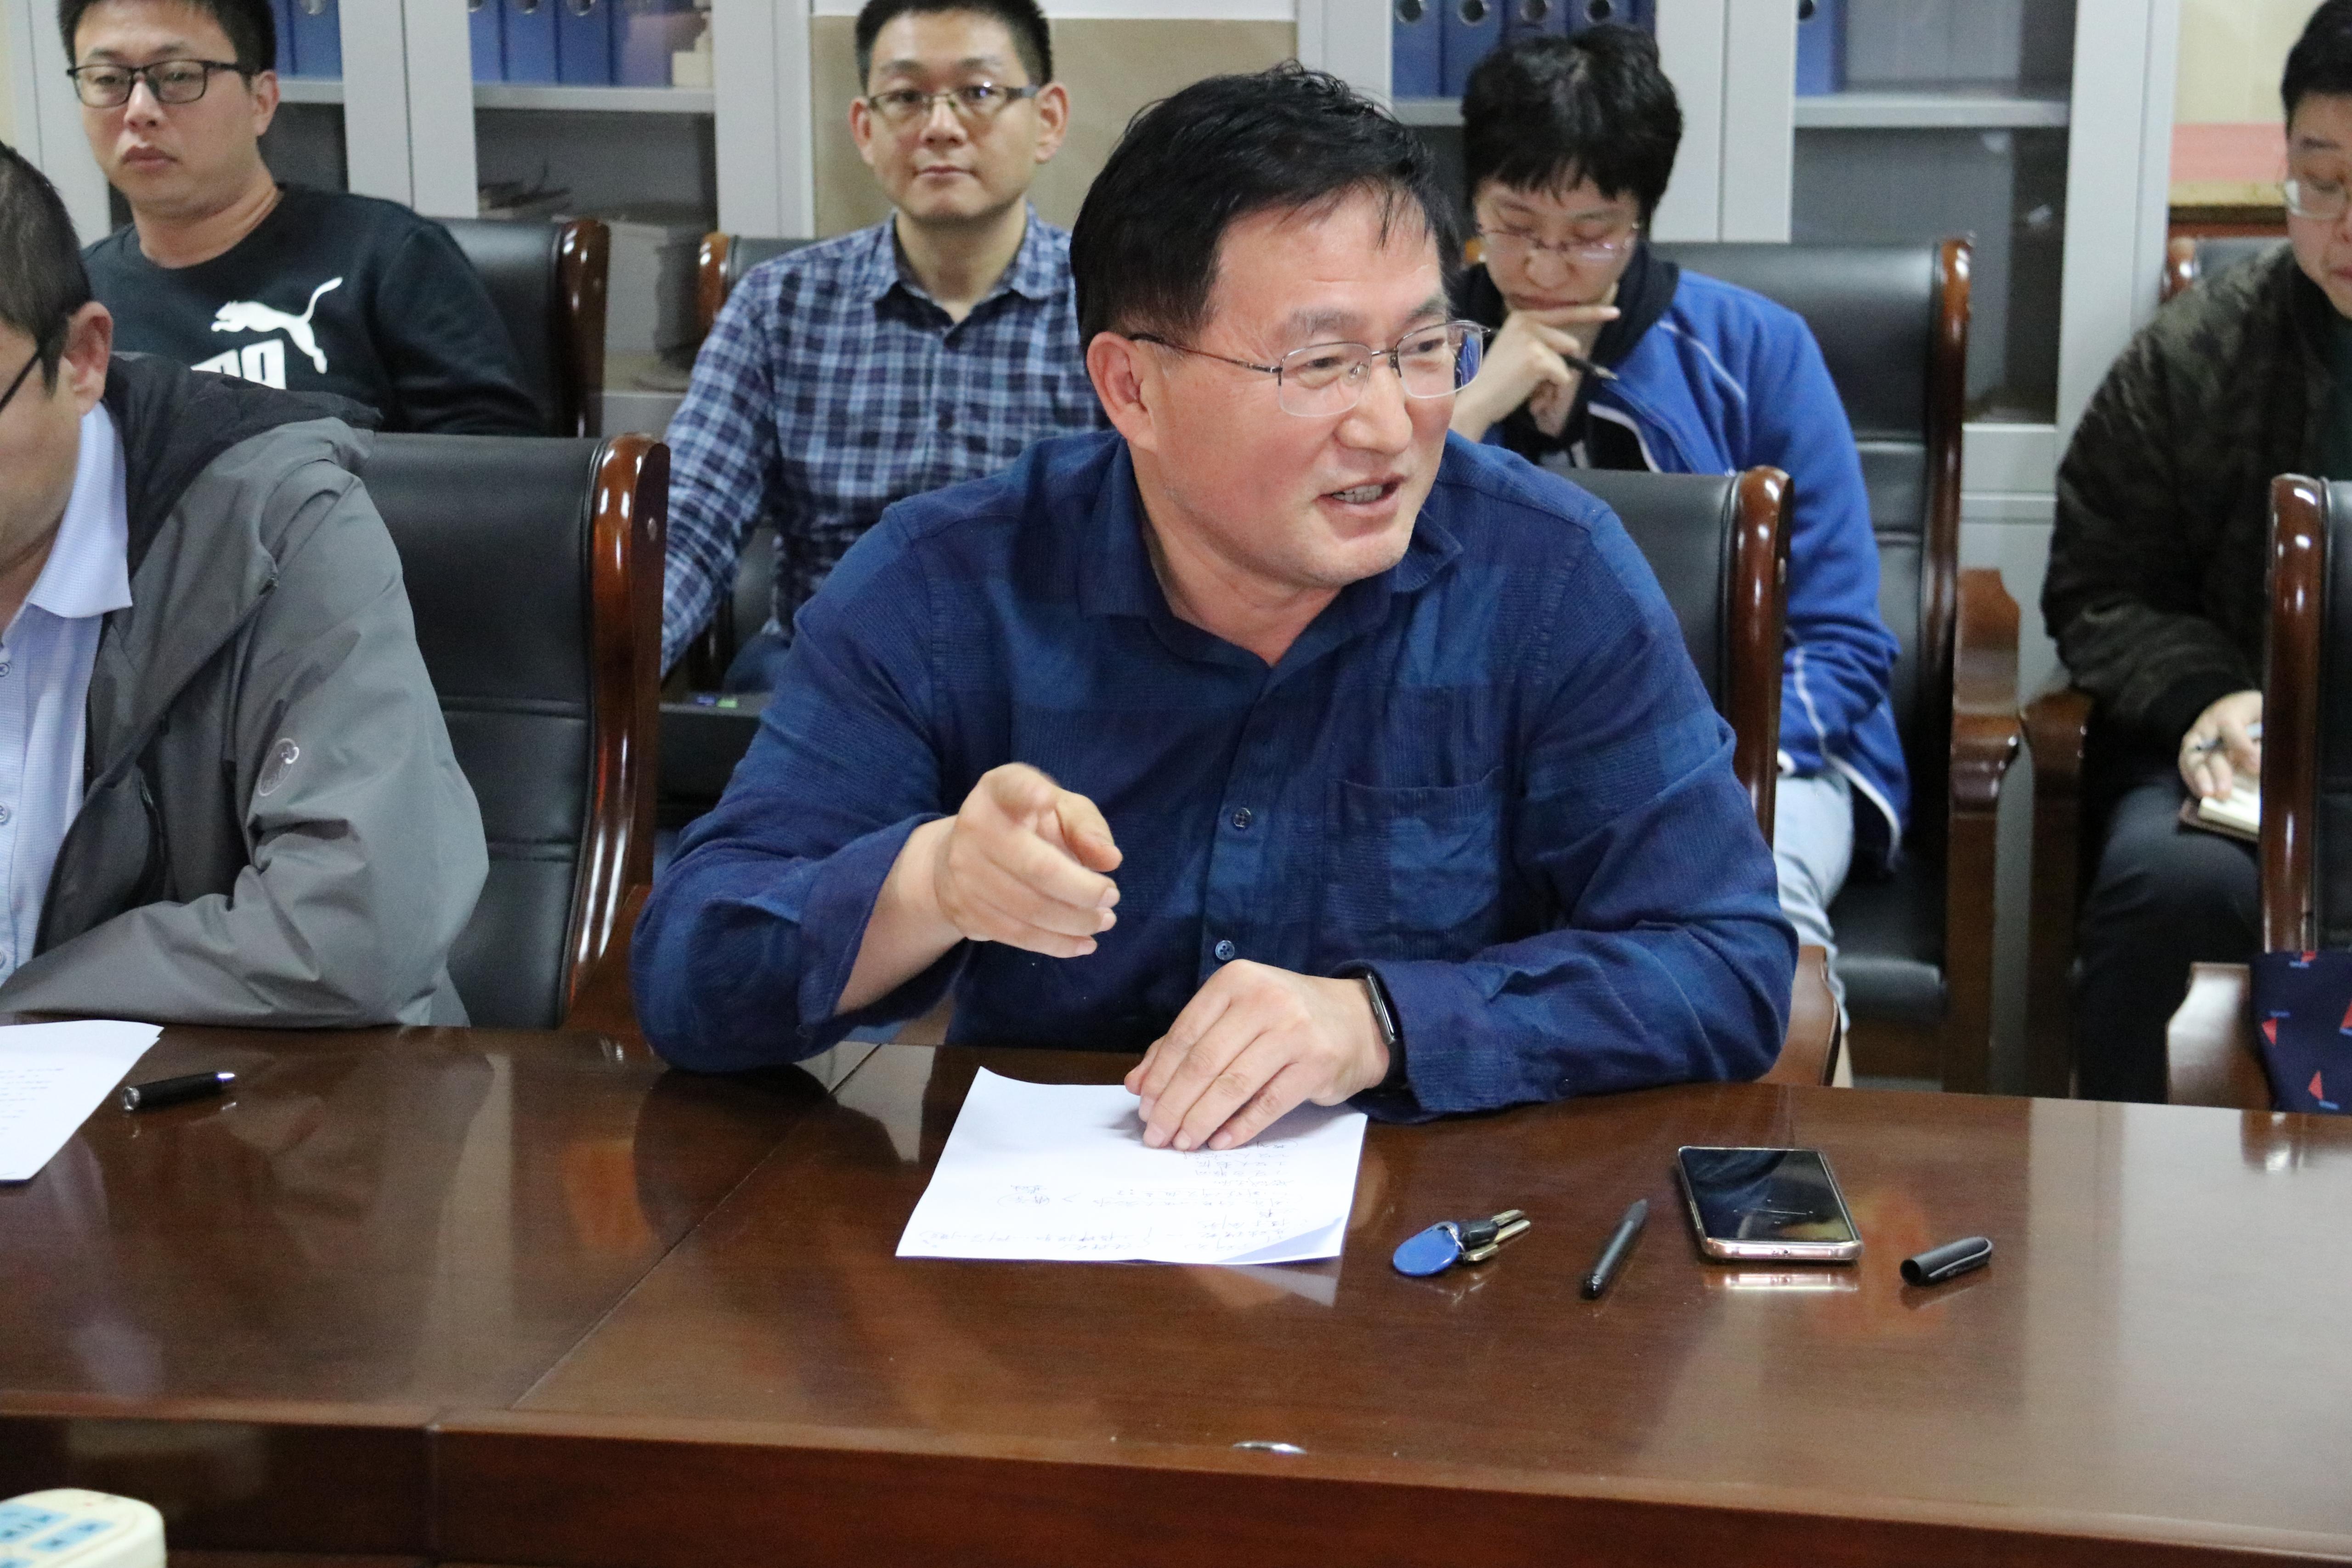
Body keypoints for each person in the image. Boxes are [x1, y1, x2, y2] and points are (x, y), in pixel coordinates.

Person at [634, 65, 1795, 1151]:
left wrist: (1381, 1021)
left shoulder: (1546, 574)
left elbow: (1726, 961)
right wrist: (929, 882)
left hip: (1435, 1249)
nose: (1389, 424)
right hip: (1042, 1258)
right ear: (1130, 386)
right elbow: (689, 975)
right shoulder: (948, 586)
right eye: (1322, 364)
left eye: (1422, 348)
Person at [1449, 28, 1904, 1022]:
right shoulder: (1423, 347)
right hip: (1485, 761)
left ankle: (1794, 1123)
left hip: (1751, 750)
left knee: (1753, 924)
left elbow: (1842, 639)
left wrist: (1694, 770)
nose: (1547, 266)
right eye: (1514, 226)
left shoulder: (1754, 349)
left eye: (1591, 234)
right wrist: (1471, 410)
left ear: (1642, 219)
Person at [0, 142, 487, 1025]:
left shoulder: (275, 524)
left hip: (261, 1090)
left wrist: (26, 1001)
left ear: (81, 358)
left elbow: (357, 928)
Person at [2046, 1, 2352, 1101]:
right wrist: (2211, 693)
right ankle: (2129, 1200)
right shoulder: (2198, 353)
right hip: (2240, 763)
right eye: (2320, 182)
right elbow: (2097, 581)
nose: (2344, 227)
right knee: (2166, 888)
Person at [659, 0, 1104, 691]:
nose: (941, 127)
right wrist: (610, 672)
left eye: (978, 92)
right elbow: (690, 519)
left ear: (1047, 119)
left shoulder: (1114, 309)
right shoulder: (777, 306)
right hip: (824, 671)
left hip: (1044, 680)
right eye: (906, 97)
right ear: (866, 129)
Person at [64, 0, 543, 433]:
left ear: (261, 101)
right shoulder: (71, 299)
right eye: (108, 80)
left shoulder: (388, 257)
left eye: (179, 75)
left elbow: (498, 470)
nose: (139, 110)